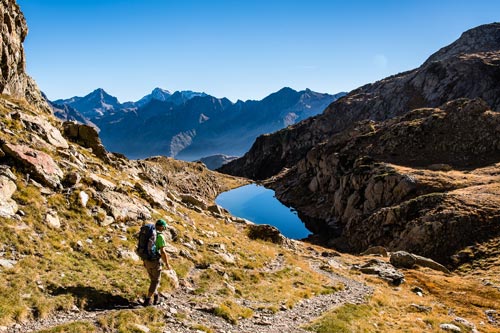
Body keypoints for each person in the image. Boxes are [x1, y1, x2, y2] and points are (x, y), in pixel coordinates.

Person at [143, 219, 171, 306]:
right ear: (162, 227)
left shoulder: (149, 233)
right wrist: (167, 263)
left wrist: (144, 260)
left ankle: (156, 297)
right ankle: (147, 300)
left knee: (152, 280)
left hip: (146, 260)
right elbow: (163, 251)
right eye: (164, 226)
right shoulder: (160, 236)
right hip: (154, 261)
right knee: (155, 281)